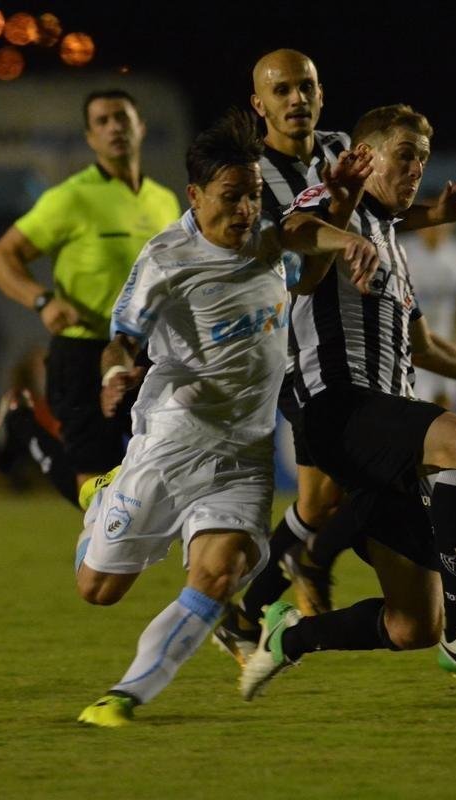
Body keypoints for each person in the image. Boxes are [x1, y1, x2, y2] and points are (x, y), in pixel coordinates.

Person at [239, 104, 456, 701]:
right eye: (405, 155)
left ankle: (287, 639)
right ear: (364, 158)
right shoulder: (331, 204)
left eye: (423, 158)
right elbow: (293, 237)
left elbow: (425, 348)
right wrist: (340, 229)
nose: (417, 169)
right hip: (339, 409)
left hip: (384, 424)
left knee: (413, 623)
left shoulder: (390, 239)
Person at [73, 109, 379, 726]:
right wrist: (114, 373)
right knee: (98, 590)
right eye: (232, 197)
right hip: (172, 441)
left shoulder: (268, 238)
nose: (246, 209)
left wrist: (345, 231)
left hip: (243, 452)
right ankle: (104, 494)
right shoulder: (167, 259)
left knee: (223, 571)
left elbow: (307, 259)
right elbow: (121, 339)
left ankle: (127, 694)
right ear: (196, 196)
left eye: (254, 195)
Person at [214, 50, 456, 668]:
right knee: (336, 497)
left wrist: (433, 215)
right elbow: (295, 237)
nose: (297, 99)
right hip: (296, 354)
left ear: (321, 91)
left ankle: (252, 613)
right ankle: (287, 586)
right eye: (282, 90)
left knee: (319, 506)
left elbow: (380, 211)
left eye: (306, 86)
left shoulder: (342, 144)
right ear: (259, 106)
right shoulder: (255, 175)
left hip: (353, 353)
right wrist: (342, 233)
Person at [0, 89, 181, 507]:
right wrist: (42, 300)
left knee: (158, 479)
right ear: (90, 138)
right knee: (97, 497)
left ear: (140, 127)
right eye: (102, 121)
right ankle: (21, 425)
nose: (114, 128)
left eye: (122, 118)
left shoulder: (164, 200)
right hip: (83, 350)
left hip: (144, 354)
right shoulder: (70, 197)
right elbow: (0, 258)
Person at [399, 220, 456, 410]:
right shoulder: (402, 250)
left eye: (441, 222)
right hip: (412, 345)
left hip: (446, 342)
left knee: (448, 406)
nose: (435, 228)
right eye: (430, 222)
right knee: (417, 407)